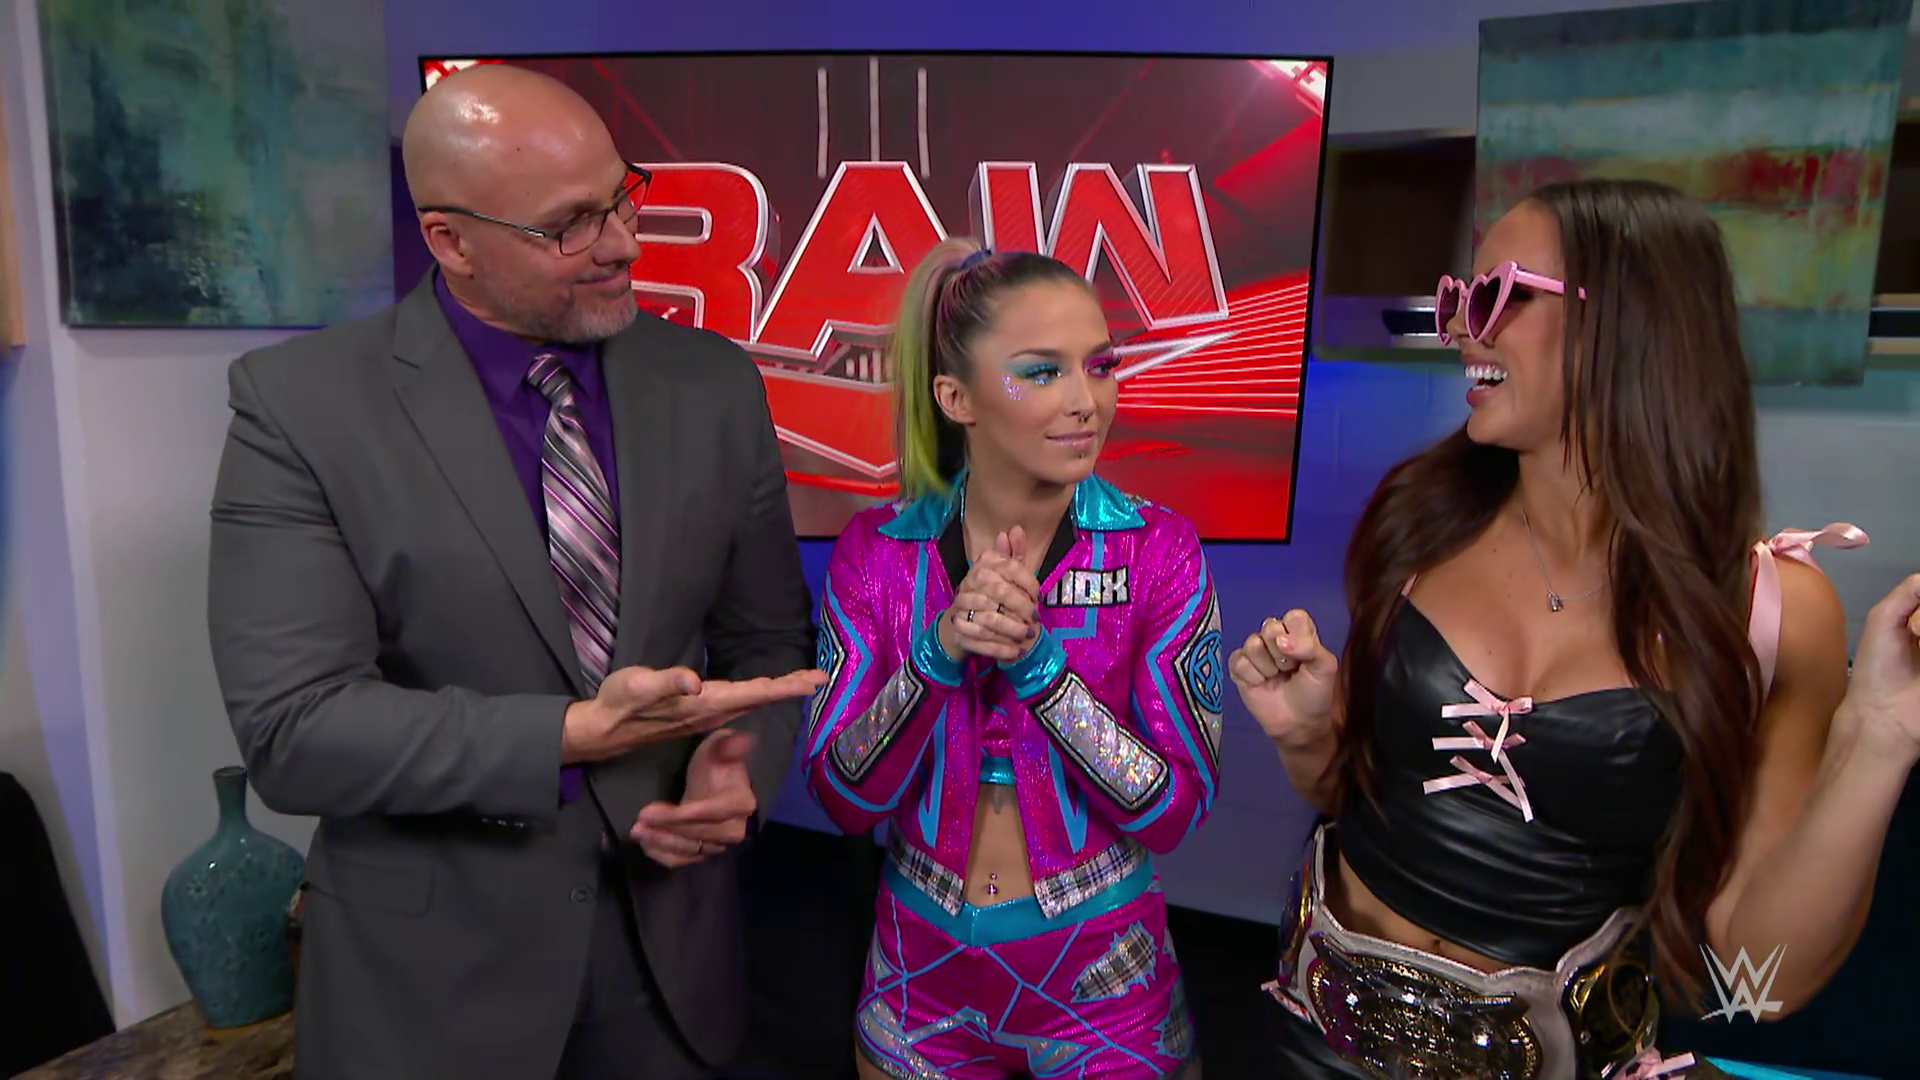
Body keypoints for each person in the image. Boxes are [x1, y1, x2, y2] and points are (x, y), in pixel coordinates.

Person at [206, 64, 824, 1080]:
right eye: (569, 225)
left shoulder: (713, 383)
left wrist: (737, 767)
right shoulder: (299, 409)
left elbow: (766, 643)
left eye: (621, 198)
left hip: (670, 980)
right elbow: (296, 730)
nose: (622, 244)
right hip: (429, 999)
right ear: (451, 241)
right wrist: (573, 735)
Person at [1234, 177, 1917, 1080]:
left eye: (1496, 296)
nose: (1461, 329)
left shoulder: (1771, 611)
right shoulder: (1419, 522)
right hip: (1315, 1040)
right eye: (1456, 298)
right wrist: (1306, 738)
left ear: (1626, 320)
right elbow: (1350, 794)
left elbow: (1762, 984)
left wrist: (1880, 736)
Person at [801, 239, 1225, 1080]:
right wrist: (938, 655)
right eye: (1042, 372)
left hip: (1108, 978)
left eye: (1099, 366)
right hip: (917, 975)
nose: (1086, 402)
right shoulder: (877, 552)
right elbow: (843, 799)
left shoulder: (1158, 550)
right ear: (954, 396)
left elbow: (1176, 813)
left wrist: (1042, 673)